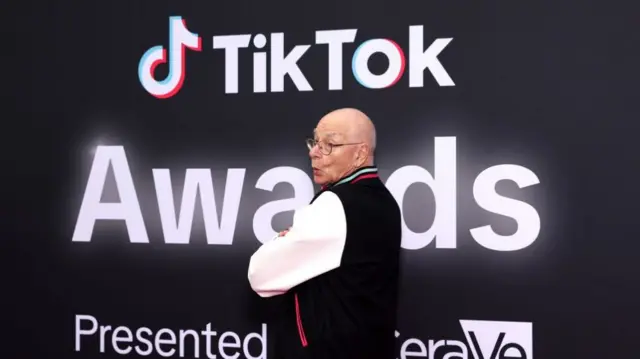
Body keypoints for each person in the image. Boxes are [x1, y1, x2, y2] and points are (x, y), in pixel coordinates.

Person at [247, 108, 402, 359]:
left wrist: (285, 236)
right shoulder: (385, 201)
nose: (314, 152)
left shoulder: (334, 205)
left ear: (360, 153)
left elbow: (259, 273)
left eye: (329, 144)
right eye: (315, 142)